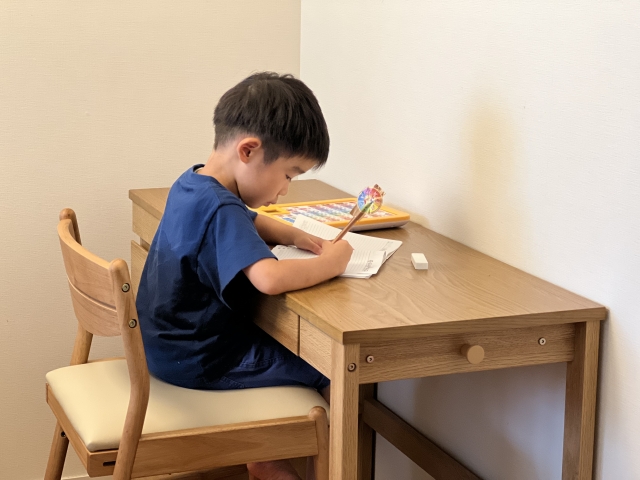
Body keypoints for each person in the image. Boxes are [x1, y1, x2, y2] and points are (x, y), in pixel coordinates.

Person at [136, 72, 353, 480]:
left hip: (166, 348)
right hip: (202, 361)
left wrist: (291, 234)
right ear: (249, 151)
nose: (285, 190)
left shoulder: (192, 183)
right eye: (289, 174)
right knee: (333, 373)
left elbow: (244, 218)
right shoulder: (222, 209)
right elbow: (269, 279)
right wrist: (334, 262)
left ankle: (266, 454)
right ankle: (271, 457)